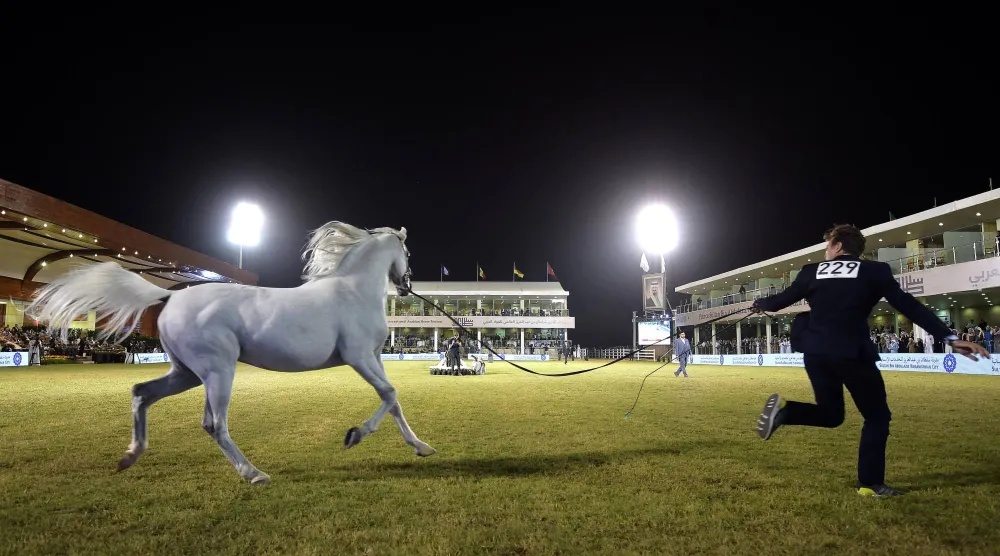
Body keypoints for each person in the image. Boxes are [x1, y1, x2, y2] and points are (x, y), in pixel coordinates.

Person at [751, 224, 989, 497]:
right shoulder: (874, 271)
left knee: (831, 415)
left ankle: (785, 410)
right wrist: (948, 338)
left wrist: (761, 304)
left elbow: (780, 302)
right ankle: (870, 484)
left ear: (838, 245)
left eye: (827, 246)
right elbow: (908, 305)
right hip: (852, 352)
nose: (826, 251)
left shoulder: (810, 271)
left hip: (815, 352)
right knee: (877, 417)